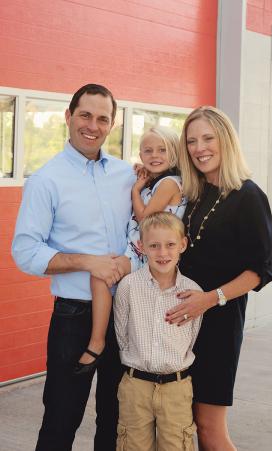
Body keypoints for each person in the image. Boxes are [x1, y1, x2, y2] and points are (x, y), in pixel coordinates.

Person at [12, 83, 135, 451]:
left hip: (126, 312)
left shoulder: (127, 175)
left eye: (102, 118)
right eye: (85, 115)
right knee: (61, 419)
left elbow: (143, 228)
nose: (92, 126)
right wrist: (87, 262)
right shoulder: (46, 180)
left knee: (116, 420)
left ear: (112, 124)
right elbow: (26, 251)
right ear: (68, 117)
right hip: (73, 316)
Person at [165, 106, 272, 451]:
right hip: (184, 325)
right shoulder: (195, 194)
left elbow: (259, 271)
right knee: (186, 421)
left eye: (208, 138)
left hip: (220, 324)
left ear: (225, 140)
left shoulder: (249, 196)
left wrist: (209, 299)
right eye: (192, 141)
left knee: (210, 428)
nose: (200, 148)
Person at [76, 126, 187, 374]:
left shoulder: (169, 183)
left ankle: (97, 342)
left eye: (162, 150)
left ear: (175, 153)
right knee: (105, 279)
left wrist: (136, 189)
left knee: (100, 276)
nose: (154, 155)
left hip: (147, 254)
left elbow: (146, 218)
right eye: (148, 150)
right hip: (138, 249)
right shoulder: (156, 181)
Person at [114, 212, 202, 450]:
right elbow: (121, 335)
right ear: (142, 247)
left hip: (176, 388)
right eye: (154, 246)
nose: (163, 253)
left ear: (182, 245)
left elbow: (191, 337)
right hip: (136, 386)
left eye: (170, 245)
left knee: (176, 445)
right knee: (132, 445)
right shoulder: (129, 286)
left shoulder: (193, 292)